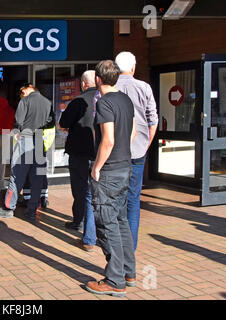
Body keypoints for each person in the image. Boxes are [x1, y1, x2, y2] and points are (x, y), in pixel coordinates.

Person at [85, 60, 136, 297]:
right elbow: (133, 131)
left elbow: (108, 139)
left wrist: (97, 167)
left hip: (109, 171)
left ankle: (115, 281)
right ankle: (128, 271)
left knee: (106, 223)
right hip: (125, 166)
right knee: (121, 220)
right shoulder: (126, 99)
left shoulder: (105, 102)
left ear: (98, 79)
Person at [115, 51, 158, 251]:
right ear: (133, 68)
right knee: (133, 200)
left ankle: (115, 248)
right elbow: (153, 120)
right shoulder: (144, 87)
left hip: (114, 154)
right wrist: (146, 143)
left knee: (114, 201)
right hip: (138, 152)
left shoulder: (109, 89)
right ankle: (129, 249)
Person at [0, 84, 52, 220]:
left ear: (26, 89)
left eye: (21, 92)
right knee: (37, 178)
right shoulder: (47, 102)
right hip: (39, 142)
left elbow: (18, 122)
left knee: (16, 176)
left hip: (25, 141)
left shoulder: (25, 101)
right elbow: (50, 122)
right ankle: (32, 210)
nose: (21, 94)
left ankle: (8, 208)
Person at [59, 70, 98, 252]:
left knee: (81, 190)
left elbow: (63, 123)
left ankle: (82, 226)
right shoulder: (104, 100)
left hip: (79, 153)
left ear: (83, 84)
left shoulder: (77, 101)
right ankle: (89, 228)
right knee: (93, 193)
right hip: (99, 153)